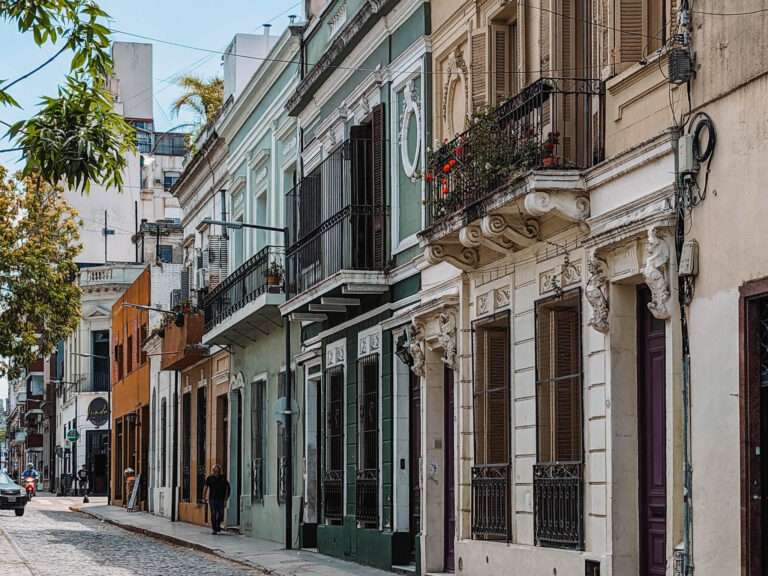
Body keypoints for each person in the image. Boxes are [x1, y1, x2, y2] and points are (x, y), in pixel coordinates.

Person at [203, 464, 230, 535]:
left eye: (217, 471)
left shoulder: (223, 478)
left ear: (219, 471)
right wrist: (204, 497)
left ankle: (218, 525)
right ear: (213, 471)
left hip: (221, 499)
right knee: (213, 513)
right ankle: (214, 529)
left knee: (221, 514)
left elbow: (227, 488)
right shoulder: (209, 478)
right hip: (212, 499)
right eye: (215, 471)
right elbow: (205, 487)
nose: (216, 472)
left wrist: (226, 499)